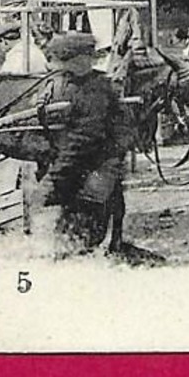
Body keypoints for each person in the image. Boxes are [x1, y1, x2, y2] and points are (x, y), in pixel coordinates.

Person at [41, 32, 134, 259]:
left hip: (97, 169)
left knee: (80, 230)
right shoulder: (96, 82)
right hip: (101, 165)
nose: (58, 70)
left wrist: (55, 179)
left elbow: (81, 141)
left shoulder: (90, 91)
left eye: (62, 63)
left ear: (76, 61)